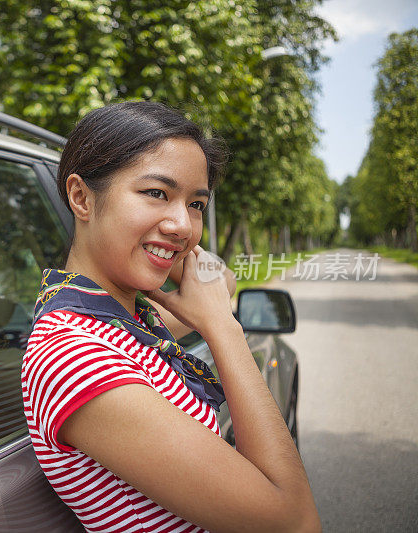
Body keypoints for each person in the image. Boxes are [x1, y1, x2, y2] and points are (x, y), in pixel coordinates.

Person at [21, 101, 320, 532]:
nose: (183, 223)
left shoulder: (129, 319)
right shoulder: (77, 357)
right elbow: (294, 522)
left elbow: (224, 279)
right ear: (81, 197)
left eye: (196, 203)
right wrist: (222, 326)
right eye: (156, 193)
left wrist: (165, 249)